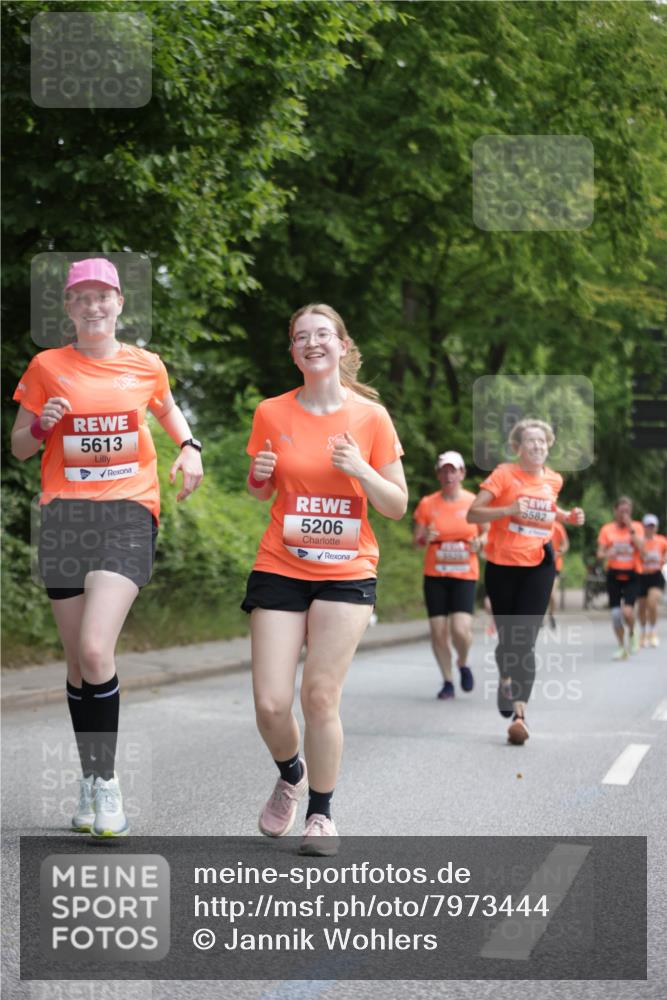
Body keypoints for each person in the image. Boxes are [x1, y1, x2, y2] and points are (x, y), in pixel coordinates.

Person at [11, 258, 203, 836]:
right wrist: (42, 425)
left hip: (127, 513)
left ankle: (109, 783)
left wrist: (189, 446)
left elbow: (166, 407)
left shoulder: (145, 365)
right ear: (68, 308)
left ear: (119, 303)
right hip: (65, 518)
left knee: (96, 650)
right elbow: (19, 447)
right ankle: (91, 779)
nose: (93, 306)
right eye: (82, 297)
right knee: (77, 663)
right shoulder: (47, 366)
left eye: (103, 296)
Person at [242, 303, 407, 856]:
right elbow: (261, 490)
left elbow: (397, 505)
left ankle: (320, 814)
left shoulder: (371, 418)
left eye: (322, 334)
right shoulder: (271, 412)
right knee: (270, 704)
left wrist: (360, 469)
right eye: (301, 337)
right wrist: (258, 477)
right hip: (281, 564)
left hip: (347, 571)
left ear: (342, 345)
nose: (312, 343)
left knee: (318, 695)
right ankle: (291, 773)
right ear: (293, 351)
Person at [467, 418, 585, 745]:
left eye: (542, 441)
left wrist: (566, 516)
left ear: (549, 447)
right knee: (508, 641)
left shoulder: (554, 479)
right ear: (517, 447)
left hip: (539, 565)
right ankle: (506, 678)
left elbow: (546, 508)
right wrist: (508, 508)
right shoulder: (503, 474)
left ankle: (519, 716)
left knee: (525, 641)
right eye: (530, 441)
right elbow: (473, 514)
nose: (537, 446)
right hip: (502, 566)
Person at [413, 451, 487, 699]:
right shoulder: (427, 504)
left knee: (460, 629)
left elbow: (488, 532)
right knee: (438, 631)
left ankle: (463, 662)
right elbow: (416, 541)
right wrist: (425, 538)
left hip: (465, 573)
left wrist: (480, 541)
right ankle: (447, 681)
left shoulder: (473, 501)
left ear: (462, 473)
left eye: (453, 470)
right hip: (435, 574)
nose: (448, 475)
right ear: (438, 474)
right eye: (444, 470)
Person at [596, 497, 645, 659]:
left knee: (628, 612)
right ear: (615, 511)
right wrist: (606, 553)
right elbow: (599, 553)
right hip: (614, 575)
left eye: (627, 511)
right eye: (622, 511)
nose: (624, 514)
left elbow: (642, 548)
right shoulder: (607, 529)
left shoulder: (637, 527)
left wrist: (631, 528)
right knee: (616, 615)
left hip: (632, 574)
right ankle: (621, 647)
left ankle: (632, 633)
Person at [637, 513, 667, 647]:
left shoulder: (662, 541)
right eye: (648, 526)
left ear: (656, 527)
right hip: (641, 576)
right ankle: (643, 632)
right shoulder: (639, 541)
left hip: (656, 575)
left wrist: (664, 558)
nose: (650, 529)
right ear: (643, 527)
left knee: (652, 603)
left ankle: (653, 632)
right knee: (642, 606)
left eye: (652, 526)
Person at [548, 520, 569, 630]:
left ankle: (551, 615)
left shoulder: (558, 527)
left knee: (552, 594)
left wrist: (559, 551)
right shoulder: (536, 524)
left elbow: (565, 544)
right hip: (538, 563)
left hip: (554, 565)